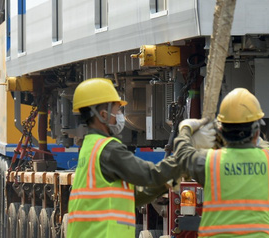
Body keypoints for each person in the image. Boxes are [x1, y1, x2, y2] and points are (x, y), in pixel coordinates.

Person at [66, 78, 183, 237]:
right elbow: (147, 175)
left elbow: (132, 196)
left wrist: (170, 181)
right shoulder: (109, 149)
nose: (120, 115)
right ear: (103, 114)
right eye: (116, 110)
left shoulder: (89, 146)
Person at [174, 88, 269, 237]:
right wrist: (256, 139)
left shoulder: (209, 162)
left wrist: (185, 129)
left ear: (221, 130)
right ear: (257, 132)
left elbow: (183, 155)